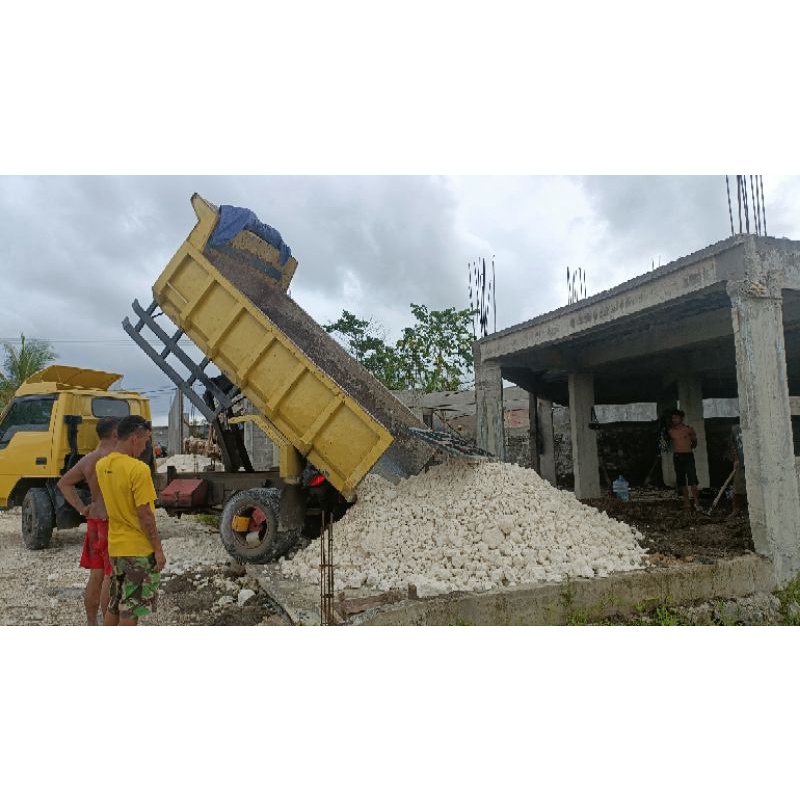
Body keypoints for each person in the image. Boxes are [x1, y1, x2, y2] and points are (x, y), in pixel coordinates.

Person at [96, 415, 166, 626]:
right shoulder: (138, 469)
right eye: (145, 441)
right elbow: (145, 514)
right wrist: (158, 549)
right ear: (134, 438)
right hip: (138, 549)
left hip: (117, 547)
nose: (145, 447)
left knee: (116, 603)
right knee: (131, 610)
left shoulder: (102, 465)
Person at [56, 417, 119, 625]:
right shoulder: (116, 458)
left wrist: (82, 508)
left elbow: (64, 483)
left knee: (96, 576)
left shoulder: (89, 459)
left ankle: (91, 623)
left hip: (94, 522)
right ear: (115, 432)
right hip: (112, 523)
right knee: (110, 577)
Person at [668, 409, 701, 511]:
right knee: (681, 481)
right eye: (673, 418)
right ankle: (686, 503)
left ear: (681, 418)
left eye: (676, 417)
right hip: (677, 457)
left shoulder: (688, 430)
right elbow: (667, 443)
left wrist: (688, 448)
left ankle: (697, 503)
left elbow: (695, 443)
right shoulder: (670, 431)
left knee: (692, 480)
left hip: (688, 456)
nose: (674, 420)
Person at [728, 422, 747, 517]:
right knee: (737, 488)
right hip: (741, 462)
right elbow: (733, 445)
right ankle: (736, 509)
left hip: (755, 463)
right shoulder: (735, 428)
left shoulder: (757, 425)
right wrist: (735, 459)